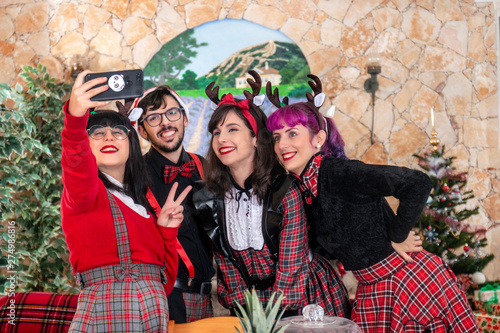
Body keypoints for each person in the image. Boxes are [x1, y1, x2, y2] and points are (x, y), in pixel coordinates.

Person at [266, 74, 479, 332]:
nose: (282, 144)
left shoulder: (341, 173)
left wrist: (398, 235)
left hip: (409, 278)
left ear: (318, 140)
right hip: (371, 288)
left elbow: (417, 182)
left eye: (292, 134)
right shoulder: (302, 189)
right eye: (277, 137)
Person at [192, 71, 350, 318]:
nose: (222, 139)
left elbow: (291, 275)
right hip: (250, 311)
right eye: (216, 133)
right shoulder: (210, 197)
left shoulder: (285, 191)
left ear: (256, 138)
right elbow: (227, 268)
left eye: (232, 129)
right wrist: (247, 309)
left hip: (307, 302)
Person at [61, 71, 190, 332]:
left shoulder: (140, 203)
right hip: (109, 310)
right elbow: (75, 162)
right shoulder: (84, 193)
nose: (108, 137)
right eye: (97, 133)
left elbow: (162, 279)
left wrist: (165, 230)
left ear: (132, 143)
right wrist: (76, 119)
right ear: (86, 145)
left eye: (118, 132)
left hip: (153, 310)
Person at [130, 85, 215, 323]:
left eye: (172, 113)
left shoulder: (203, 166)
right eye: (154, 118)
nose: (165, 123)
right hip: (165, 298)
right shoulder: (134, 176)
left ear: (185, 118)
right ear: (143, 131)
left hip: (207, 298)